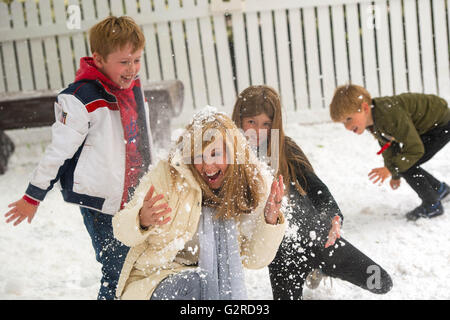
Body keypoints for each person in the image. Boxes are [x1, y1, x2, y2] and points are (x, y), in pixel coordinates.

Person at [4, 16, 154, 300]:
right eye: (124, 62)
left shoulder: (133, 88)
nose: (132, 69)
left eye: (137, 60)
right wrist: (32, 196)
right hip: (101, 202)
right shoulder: (79, 99)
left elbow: (142, 137)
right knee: (117, 269)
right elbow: (58, 153)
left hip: (134, 193)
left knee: (140, 264)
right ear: (98, 59)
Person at [232, 85, 393, 300]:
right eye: (251, 122)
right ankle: (309, 269)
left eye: (266, 124)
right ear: (239, 119)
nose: (258, 130)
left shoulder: (285, 149)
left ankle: (319, 269)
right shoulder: (230, 157)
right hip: (282, 254)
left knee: (381, 282)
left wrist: (333, 217)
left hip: (317, 236)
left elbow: (317, 189)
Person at [112, 108, 286, 300]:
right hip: (153, 282)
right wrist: (141, 219)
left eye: (216, 153)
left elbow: (254, 260)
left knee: (202, 283)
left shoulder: (244, 184)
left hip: (211, 286)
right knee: (197, 282)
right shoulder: (169, 175)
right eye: (199, 155)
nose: (208, 165)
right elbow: (121, 231)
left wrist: (270, 220)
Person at [329, 84, 450, 221]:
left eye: (349, 119)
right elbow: (388, 146)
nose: (347, 127)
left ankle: (432, 205)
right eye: (343, 122)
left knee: (406, 163)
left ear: (364, 108)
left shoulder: (388, 115)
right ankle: (438, 189)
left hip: (441, 126)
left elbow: (415, 149)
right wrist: (395, 174)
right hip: (429, 126)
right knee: (402, 163)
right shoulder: (375, 120)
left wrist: (391, 169)